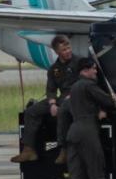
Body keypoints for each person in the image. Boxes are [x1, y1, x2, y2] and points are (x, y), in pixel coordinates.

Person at [65, 58, 116, 179]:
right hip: (87, 131)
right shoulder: (89, 85)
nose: (95, 71)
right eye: (93, 68)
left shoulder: (74, 88)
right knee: (96, 168)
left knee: (76, 172)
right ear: (84, 71)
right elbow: (109, 102)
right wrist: (114, 100)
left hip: (73, 131)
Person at [11, 35, 79, 164]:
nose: (68, 51)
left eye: (68, 48)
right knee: (31, 111)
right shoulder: (54, 69)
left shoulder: (79, 63)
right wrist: (52, 103)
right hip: (61, 98)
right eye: (64, 50)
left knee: (63, 111)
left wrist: (73, 94)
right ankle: (29, 150)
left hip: (76, 97)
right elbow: (51, 89)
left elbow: (87, 81)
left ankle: (64, 149)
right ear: (57, 52)